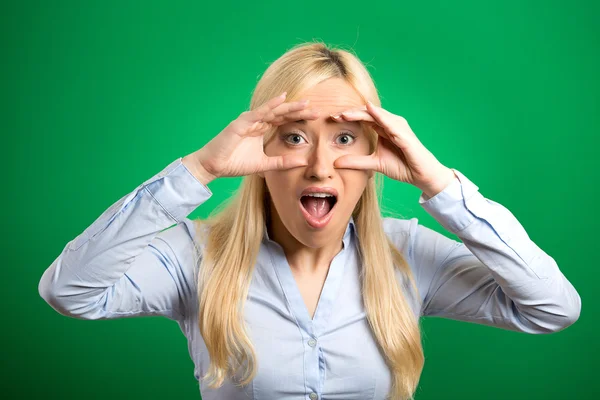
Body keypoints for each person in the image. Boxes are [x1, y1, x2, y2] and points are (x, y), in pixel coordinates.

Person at [38, 42, 581, 400]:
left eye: (345, 139)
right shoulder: (195, 255)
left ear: (376, 156)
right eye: (294, 136)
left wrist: (439, 184)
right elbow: (70, 291)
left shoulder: (409, 255)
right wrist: (199, 169)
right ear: (259, 152)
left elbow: (553, 308)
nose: (320, 166)